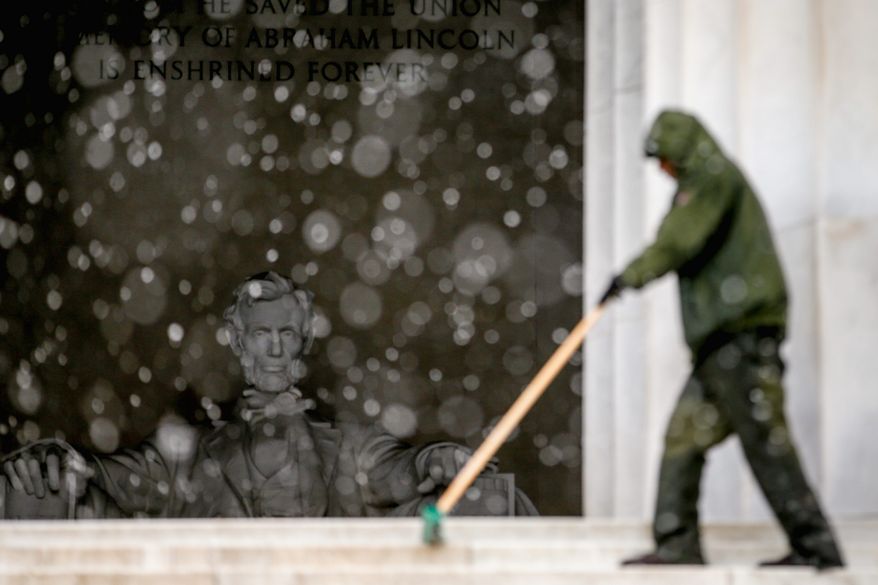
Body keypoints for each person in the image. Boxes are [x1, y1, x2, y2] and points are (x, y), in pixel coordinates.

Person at [3, 271, 536, 519]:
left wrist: (434, 458)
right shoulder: (189, 458)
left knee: (482, 498)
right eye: (262, 334)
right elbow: (116, 474)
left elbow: (397, 470)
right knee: (42, 487)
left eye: (287, 334)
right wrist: (68, 462)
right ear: (239, 342)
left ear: (303, 341)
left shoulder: (350, 446)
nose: (276, 348)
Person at [601, 110, 844, 569]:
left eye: (664, 159)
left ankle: (815, 546)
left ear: (681, 149)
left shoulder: (713, 179)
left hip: (742, 340)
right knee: (683, 440)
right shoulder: (705, 182)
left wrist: (629, 277)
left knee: (766, 444)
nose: (663, 170)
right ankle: (678, 544)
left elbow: (678, 243)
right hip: (720, 346)